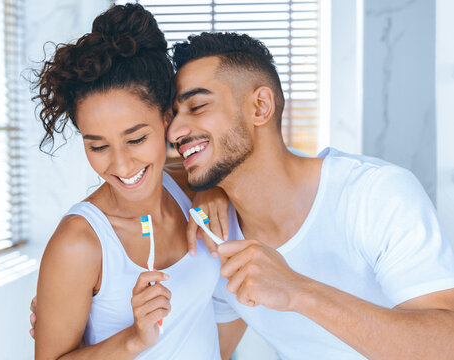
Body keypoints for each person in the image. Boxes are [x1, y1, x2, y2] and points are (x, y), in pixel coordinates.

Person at [167, 32, 454, 359]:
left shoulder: (374, 195)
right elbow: (214, 351)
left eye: (197, 106)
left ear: (260, 106)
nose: (174, 132)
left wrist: (297, 291)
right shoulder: (215, 235)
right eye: (173, 115)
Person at [32, 4, 243, 359]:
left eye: (135, 139)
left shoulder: (193, 189)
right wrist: (134, 339)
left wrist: (214, 188)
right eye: (97, 145)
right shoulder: (79, 244)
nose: (121, 164)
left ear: (166, 120)